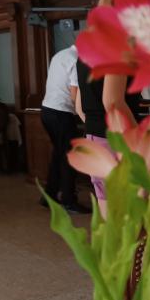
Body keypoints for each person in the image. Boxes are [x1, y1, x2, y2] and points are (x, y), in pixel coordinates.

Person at [75, 0, 143, 217]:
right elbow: (112, 102)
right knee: (134, 220)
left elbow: (80, 105)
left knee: (110, 221)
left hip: (95, 138)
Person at [40, 44, 89, 214]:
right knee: (69, 157)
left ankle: (49, 196)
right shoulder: (76, 60)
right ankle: (69, 201)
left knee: (59, 155)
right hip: (61, 113)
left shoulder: (60, 54)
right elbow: (75, 95)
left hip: (47, 111)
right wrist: (84, 115)